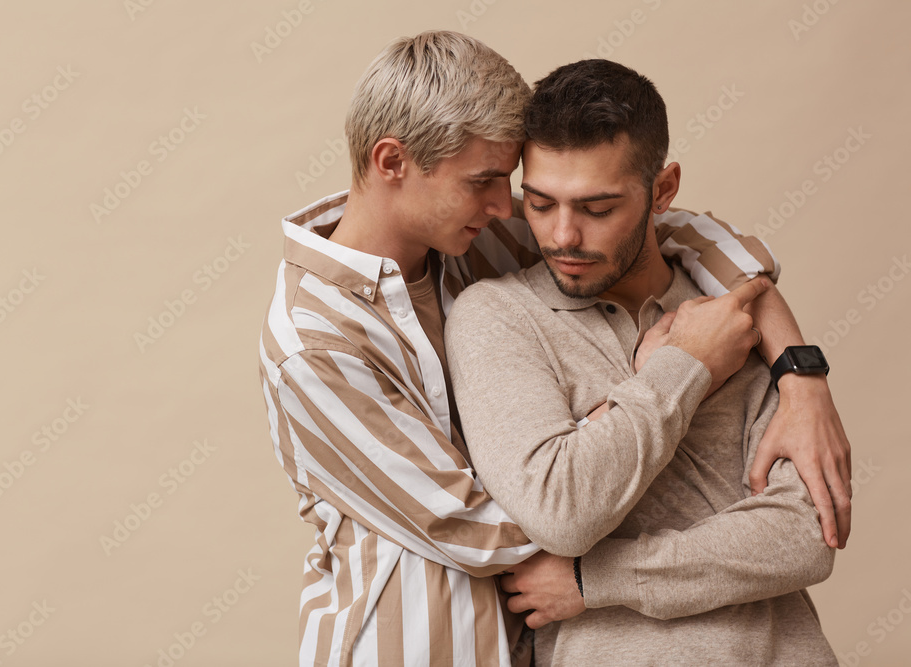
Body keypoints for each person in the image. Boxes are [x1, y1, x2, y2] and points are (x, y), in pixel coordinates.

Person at [258, 31, 850, 666]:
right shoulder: (312, 342)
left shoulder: (476, 235)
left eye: (517, 189)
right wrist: (663, 384)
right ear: (393, 162)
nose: (508, 207)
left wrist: (801, 377)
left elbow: (686, 234)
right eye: (489, 183)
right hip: (417, 644)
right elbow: (490, 522)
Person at [444, 58, 842, 664]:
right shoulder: (496, 318)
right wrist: (686, 365)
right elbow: (562, 510)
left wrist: (595, 581)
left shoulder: (729, 308)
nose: (562, 237)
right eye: (541, 203)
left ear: (663, 190)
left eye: (598, 209)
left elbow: (806, 535)